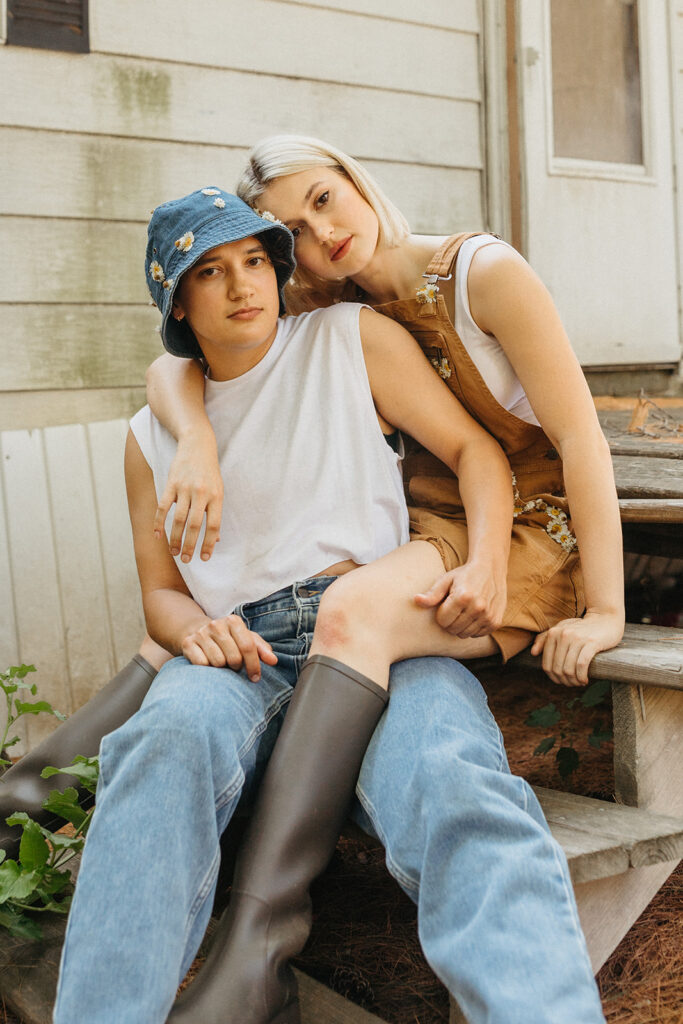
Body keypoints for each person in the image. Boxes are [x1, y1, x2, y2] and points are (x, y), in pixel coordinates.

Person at [52, 188, 605, 1024]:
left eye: (254, 263)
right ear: (176, 300)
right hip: (240, 655)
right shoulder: (149, 436)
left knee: (454, 784)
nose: (243, 287)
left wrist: (487, 561)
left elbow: (472, 451)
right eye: (210, 272)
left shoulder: (347, 339)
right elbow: (162, 596)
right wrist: (196, 629)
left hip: (384, 633)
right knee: (157, 746)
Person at [147, 134, 625, 689]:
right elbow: (172, 364)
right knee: (189, 635)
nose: (324, 234)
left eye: (323, 199)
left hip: (530, 525)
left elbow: (580, 438)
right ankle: (75, 761)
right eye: (296, 231)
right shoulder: (329, 306)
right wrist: (194, 438)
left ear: (354, 179)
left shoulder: (483, 274)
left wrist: (605, 611)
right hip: (420, 529)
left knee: (344, 618)